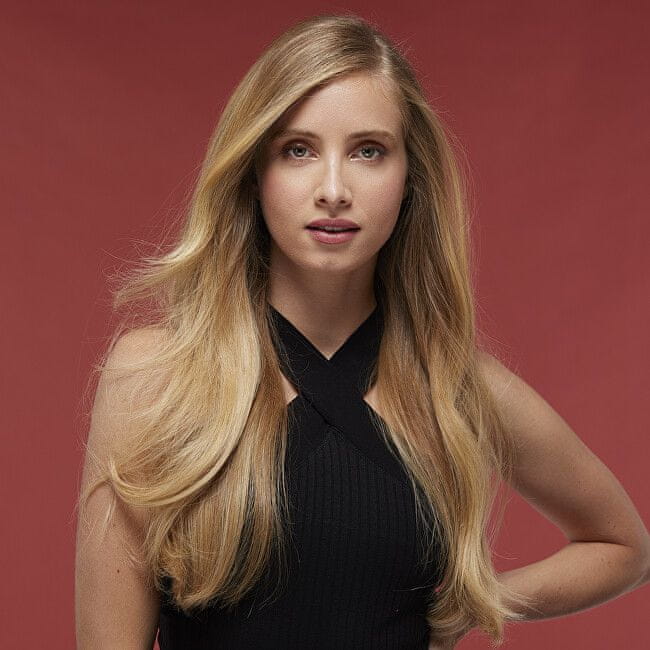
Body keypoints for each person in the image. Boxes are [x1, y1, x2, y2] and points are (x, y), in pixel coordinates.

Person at [74, 13, 650, 650]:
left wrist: (476, 604)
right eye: (298, 150)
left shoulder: (454, 386)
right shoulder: (154, 376)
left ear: (408, 178)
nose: (333, 190)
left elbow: (623, 546)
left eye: (368, 151)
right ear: (254, 173)